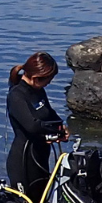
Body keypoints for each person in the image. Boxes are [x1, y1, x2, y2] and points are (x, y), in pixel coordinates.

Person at [4, 52, 68, 195]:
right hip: (23, 160)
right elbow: (32, 126)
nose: (50, 83)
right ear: (35, 78)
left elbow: (49, 113)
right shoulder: (16, 95)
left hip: (40, 157)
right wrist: (55, 131)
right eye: (48, 79)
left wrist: (61, 127)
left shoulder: (39, 91)